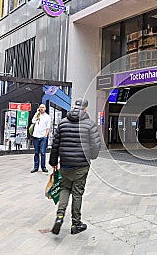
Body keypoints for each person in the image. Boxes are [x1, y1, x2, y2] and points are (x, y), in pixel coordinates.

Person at [49, 98, 101, 235]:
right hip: (81, 164)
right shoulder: (90, 124)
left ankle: (59, 216)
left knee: (65, 188)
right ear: (85, 108)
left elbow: (55, 145)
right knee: (77, 193)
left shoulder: (62, 123)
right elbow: (96, 144)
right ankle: (76, 223)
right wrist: (92, 156)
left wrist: (53, 162)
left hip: (65, 164)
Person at [30, 104, 51, 173]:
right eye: (40, 107)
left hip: (43, 137)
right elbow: (33, 121)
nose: (41, 108)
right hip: (36, 136)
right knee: (36, 153)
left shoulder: (47, 117)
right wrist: (36, 113)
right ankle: (36, 167)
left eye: (43, 107)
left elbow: (48, 127)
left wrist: (46, 135)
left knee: (42, 153)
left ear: (45, 108)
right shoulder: (37, 115)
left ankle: (43, 167)